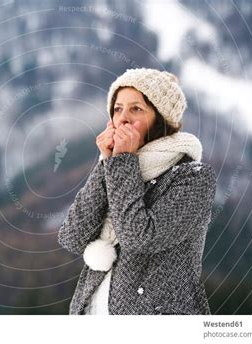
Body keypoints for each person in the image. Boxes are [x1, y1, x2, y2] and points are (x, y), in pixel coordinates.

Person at [57, 68, 217, 315]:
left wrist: (121, 161)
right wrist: (105, 162)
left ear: (161, 119)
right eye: (117, 109)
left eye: (136, 109)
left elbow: (139, 237)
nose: (123, 118)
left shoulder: (193, 177)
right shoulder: (116, 167)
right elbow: (73, 236)